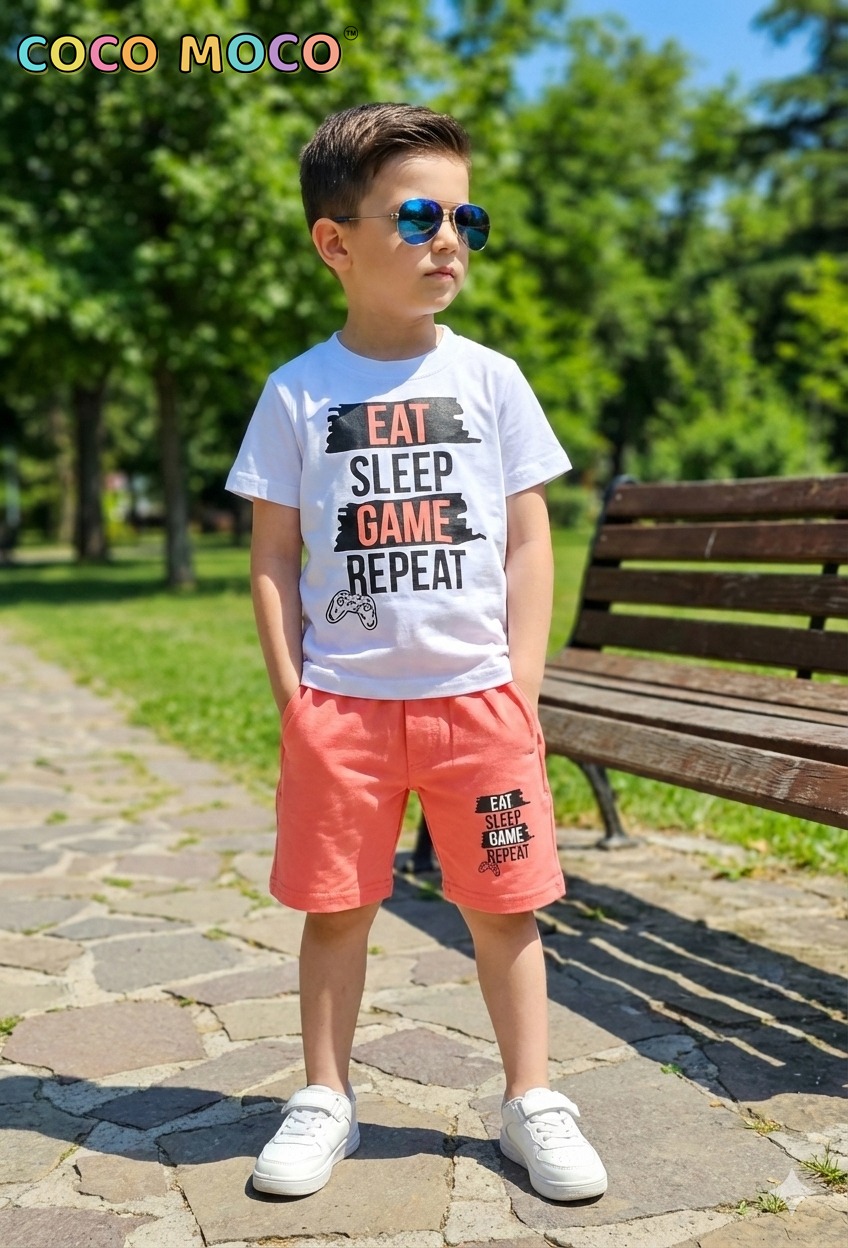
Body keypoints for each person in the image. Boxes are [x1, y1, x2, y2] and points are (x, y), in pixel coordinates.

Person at [226, 101, 607, 1205]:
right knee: (336, 906)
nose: (450, 239)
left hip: (476, 707)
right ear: (334, 242)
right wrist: (294, 694)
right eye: (419, 216)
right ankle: (324, 1096)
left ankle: (532, 1097)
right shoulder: (297, 392)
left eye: (466, 217)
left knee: (505, 907)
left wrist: (520, 683)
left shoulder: (490, 379)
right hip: (341, 708)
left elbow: (529, 537)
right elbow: (271, 553)